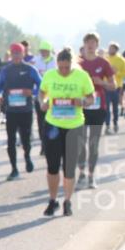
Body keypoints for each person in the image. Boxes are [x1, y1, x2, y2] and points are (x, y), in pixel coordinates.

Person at [38, 48, 95, 217]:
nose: (63, 71)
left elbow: (91, 98)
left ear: (73, 64)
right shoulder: (50, 76)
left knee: (69, 167)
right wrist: (43, 102)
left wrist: (83, 101)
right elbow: (42, 93)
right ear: (57, 64)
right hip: (53, 125)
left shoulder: (82, 76)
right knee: (52, 167)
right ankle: (53, 200)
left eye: (67, 67)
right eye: (61, 67)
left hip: (74, 126)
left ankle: (67, 201)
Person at [0, 43, 42, 179]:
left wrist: (31, 92)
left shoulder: (30, 69)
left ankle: (27, 156)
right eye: (14, 53)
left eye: (18, 53)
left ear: (23, 54)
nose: (16, 55)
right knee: (11, 140)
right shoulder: (6, 70)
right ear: (11, 54)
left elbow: (42, 85)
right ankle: (14, 168)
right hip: (11, 111)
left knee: (26, 139)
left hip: (26, 110)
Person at [77, 32, 114, 189]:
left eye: (93, 43)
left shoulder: (103, 63)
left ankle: (91, 176)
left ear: (97, 45)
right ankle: (81, 173)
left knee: (93, 143)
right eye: (88, 43)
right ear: (84, 45)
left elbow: (113, 86)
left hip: (98, 107)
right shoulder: (77, 64)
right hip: (81, 108)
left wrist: (102, 83)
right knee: (80, 142)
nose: (91, 45)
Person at [32, 40, 56, 155]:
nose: (43, 53)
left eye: (45, 51)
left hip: (54, 96)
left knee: (53, 122)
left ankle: (53, 143)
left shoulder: (56, 62)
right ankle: (43, 145)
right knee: (41, 122)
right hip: (40, 95)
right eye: (42, 51)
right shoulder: (35, 61)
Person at [105, 42, 125, 134]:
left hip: (117, 87)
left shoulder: (121, 60)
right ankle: (107, 126)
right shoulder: (105, 59)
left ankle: (115, 123)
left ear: (116, 49)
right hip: (106, 86)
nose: (110, 50)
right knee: (106, 107)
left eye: (113, 48)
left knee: (115, 107)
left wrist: (116, 72)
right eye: (110, 48)